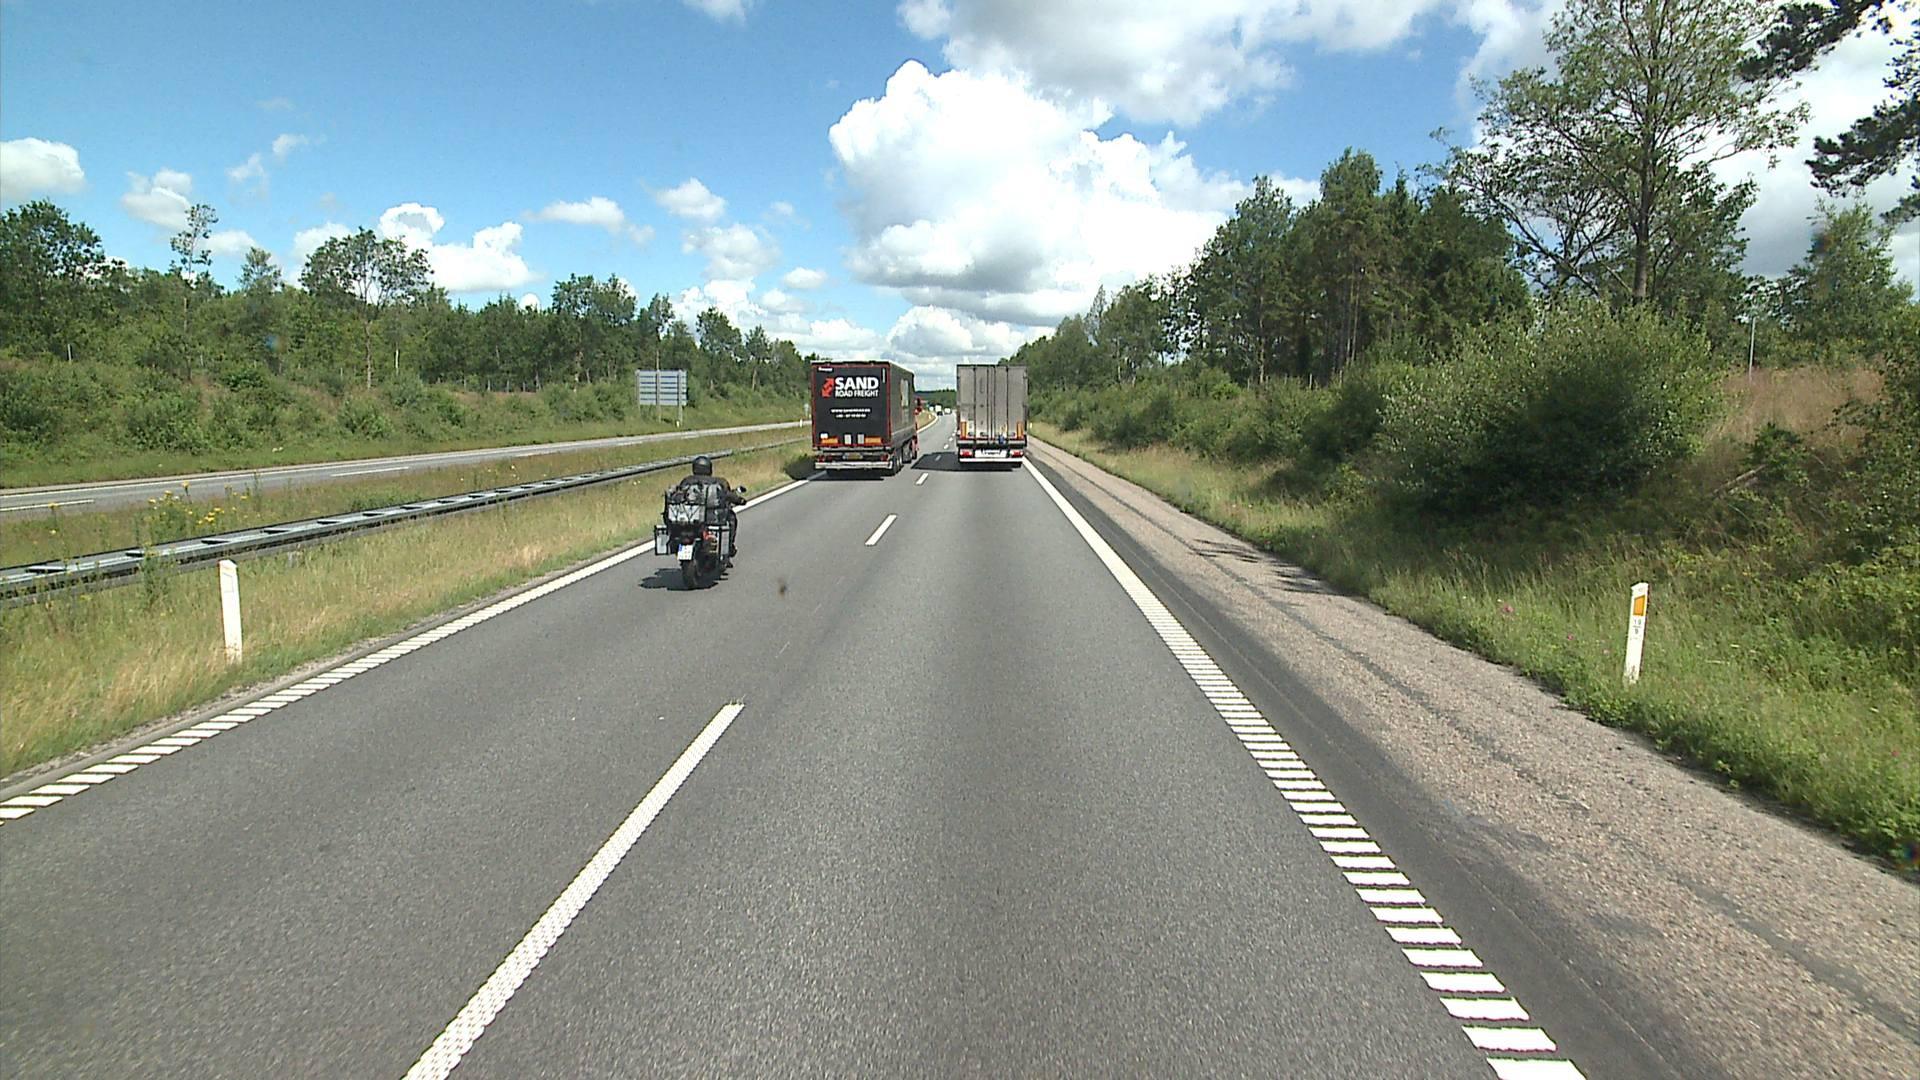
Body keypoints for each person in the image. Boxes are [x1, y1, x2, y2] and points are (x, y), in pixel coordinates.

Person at [669, 455, 747, 554]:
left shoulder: (686, 481)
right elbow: (728, 495)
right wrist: (740, 500)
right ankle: (729, 546)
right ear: (709, 468)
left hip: (690, 521)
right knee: (731, 517)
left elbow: (678, 496)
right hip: (712, 519)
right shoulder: (719, 482)